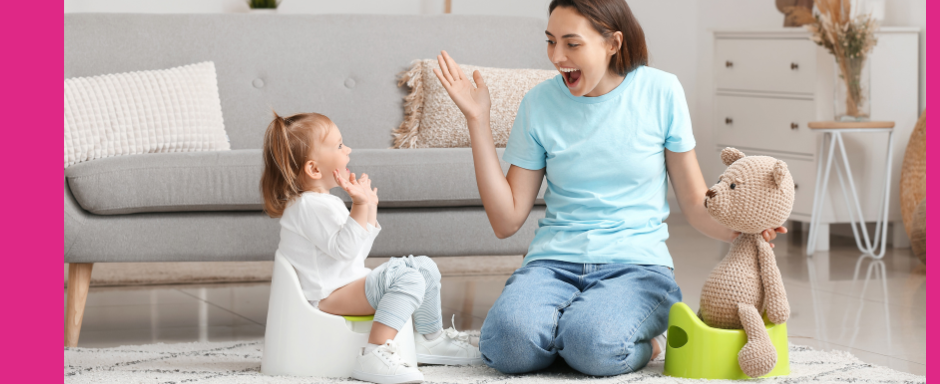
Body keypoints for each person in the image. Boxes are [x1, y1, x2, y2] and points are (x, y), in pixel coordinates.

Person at [431, 0, 785, 376]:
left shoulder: (661, 91)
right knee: (507, 347)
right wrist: (477, 120)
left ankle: (639, 342)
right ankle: (574, 330)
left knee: (593, 347)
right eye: (550, 42)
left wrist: (746, 231)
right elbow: (506, 221)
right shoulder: (539, 102)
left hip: (637, 267)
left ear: (613, 43)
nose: (557, 56)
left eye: (572, 44)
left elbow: (696, 204)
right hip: (552, 265)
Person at [260, 112, 482, 384]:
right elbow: (346, 251)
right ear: (314, 169)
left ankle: (429, 339)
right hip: (328, 296)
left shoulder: (320, 203)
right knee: (408, 278)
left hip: (344, 285)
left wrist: (369, 207)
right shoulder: (309, 206)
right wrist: (360, 207)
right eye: (339, 146)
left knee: (424, 267)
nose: (348, 150)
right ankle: (374, 353)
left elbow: (356, 252)